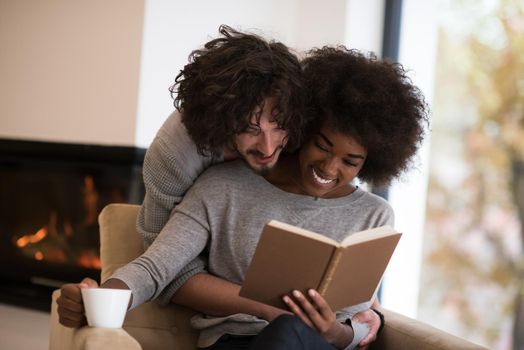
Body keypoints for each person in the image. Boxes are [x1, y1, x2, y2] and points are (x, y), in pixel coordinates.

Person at [57, 46, 428, 350]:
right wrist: (102, 296)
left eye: (350, 161)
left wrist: (336, 333)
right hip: (234, 342)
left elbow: (361, 320)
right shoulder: (220, 185)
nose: (330, 168)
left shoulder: (375, 216)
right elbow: (157, 266)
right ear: (307, 128)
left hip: (318, 347)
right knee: (285, 333)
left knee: (294, 335)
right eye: (322, 146)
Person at [137, 24, 306, 251]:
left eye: (279, 126)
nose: (267, 149)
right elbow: (158, 254)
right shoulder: (173, 155)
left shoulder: (301, 128)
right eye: (250, 129)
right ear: (222, 120)